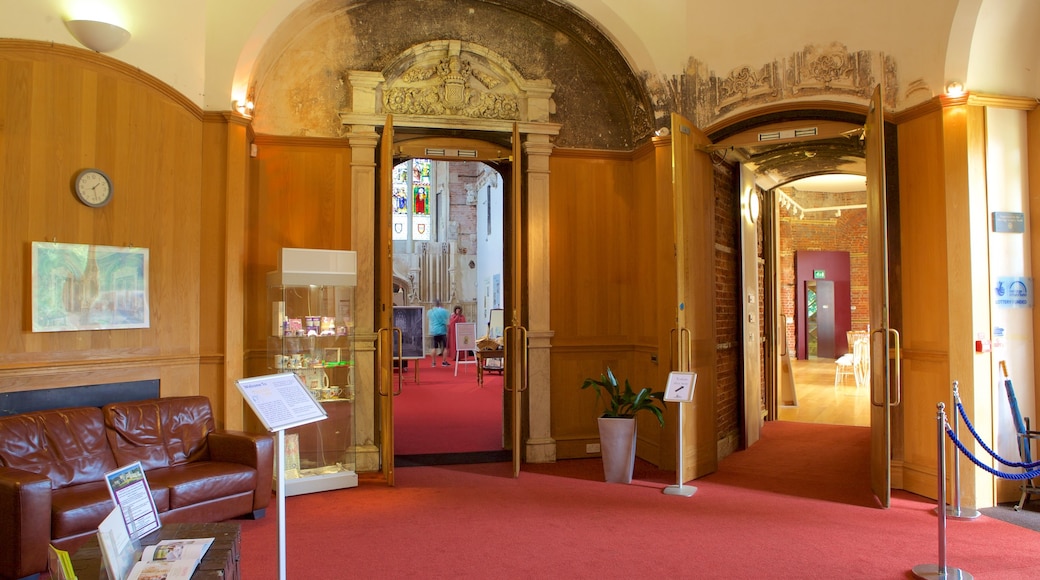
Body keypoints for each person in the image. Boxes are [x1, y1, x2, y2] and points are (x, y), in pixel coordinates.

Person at [427, 300, 450, 367]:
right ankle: (444, 361)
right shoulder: (444, 311)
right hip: (442, 331)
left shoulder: (430, 311)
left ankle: (433, 362)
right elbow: (446, 320)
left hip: (434, 331)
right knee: (445, 347)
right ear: (440, 304)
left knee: (434, 347)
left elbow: (429, 318)